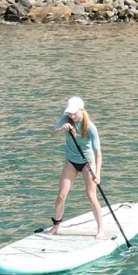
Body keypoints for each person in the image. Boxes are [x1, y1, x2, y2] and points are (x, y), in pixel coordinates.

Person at [46, 95, 106, 240]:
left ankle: (100, 229)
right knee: (61, 196)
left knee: (91, 196)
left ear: (82, 110)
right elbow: (52, 134)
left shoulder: (90, 127)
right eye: (70, 113)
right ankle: (56, 226)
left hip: (87, 163)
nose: (72, 115)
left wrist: (97, 174)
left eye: (74, 113)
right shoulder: (65, 119)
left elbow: (98, 153)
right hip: (71, 162)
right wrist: (62, 129)